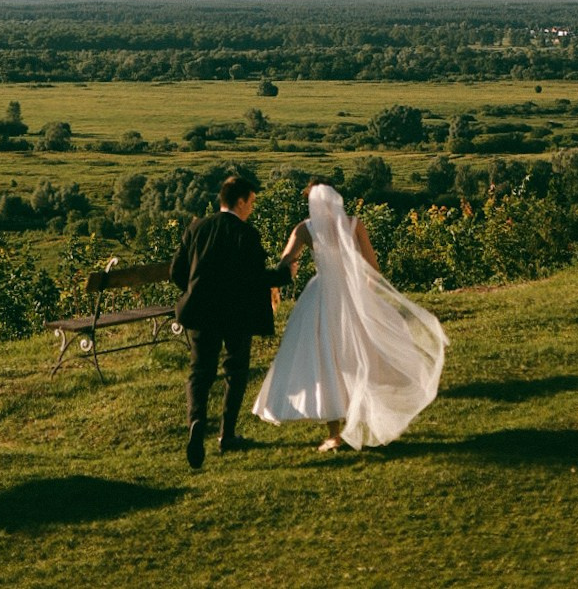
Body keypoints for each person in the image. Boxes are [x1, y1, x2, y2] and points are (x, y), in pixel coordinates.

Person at [252, 180, 447, 452]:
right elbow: (372, 266)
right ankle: (359, 418)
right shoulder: (354, 224)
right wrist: (365, 293)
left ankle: (334, 433)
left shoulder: (305, 229)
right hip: (352, 293)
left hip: (320, 296)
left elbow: (285, 262)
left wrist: (275, 284)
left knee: (325, 360)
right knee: (359, 354)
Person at [171, 175, 294, 469]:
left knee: (200, 372)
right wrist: (284, 275)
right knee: (235, 371)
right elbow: (256, 277)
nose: (251, 208)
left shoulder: (197, 228)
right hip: (236, 314)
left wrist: (194, 290)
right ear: (239, 201)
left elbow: (177, 271)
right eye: (251, 202)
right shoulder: (246, 234)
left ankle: (197, 420)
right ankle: (226, 435)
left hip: (200, 311)